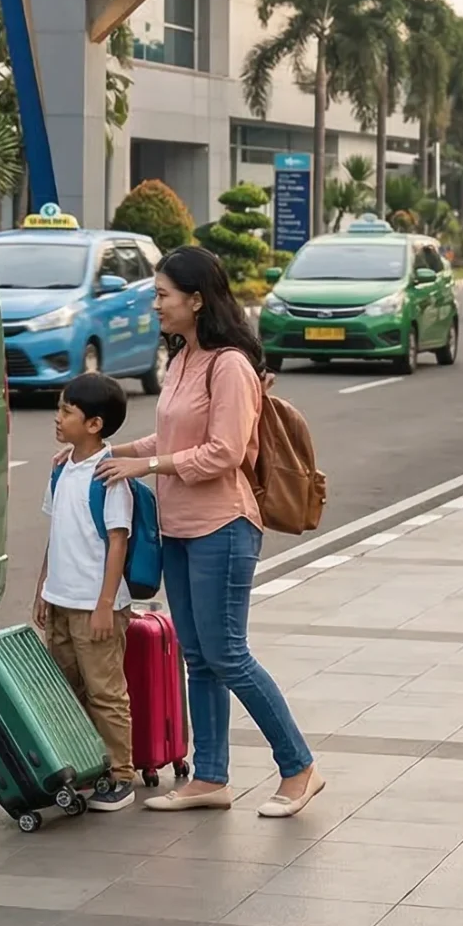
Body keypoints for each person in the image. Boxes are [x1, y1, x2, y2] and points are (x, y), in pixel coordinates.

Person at [97, 245, 322, 817]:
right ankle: (211, 777)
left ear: (196, 300)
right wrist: (100, 454)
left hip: (223, 524)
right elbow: (166, 441)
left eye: (163, 295)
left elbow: (223, 453)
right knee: (197, 656)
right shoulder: (182, 359)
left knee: (228, 654)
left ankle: (299, 767)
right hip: (179, 526)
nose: (155, 304)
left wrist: (144, 467)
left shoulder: (231, 365)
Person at [31, 371, 138, 811]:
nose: (57, 418)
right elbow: (56, 533)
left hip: (96, 606)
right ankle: (84, 766)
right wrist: (42, 589)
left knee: (105, 692)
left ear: (94, 424)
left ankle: (121, 774)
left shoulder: (109, 475)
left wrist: (105, 606)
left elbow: (118, 541)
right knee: (66, 690)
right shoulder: (61, 469)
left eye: (66, 411)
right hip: (60, 600)